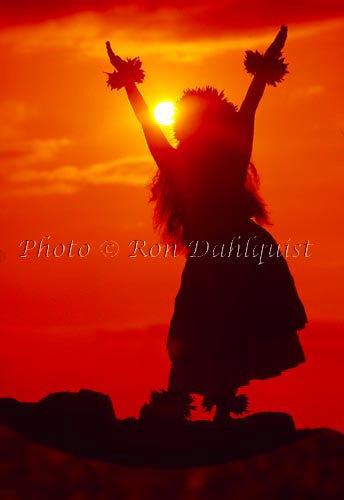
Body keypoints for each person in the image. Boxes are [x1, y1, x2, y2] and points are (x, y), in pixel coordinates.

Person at [105, 25, 307, 422]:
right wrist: (263, 67)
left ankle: (188, 408)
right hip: (239, 252)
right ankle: (209, 409)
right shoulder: (208, 158)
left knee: (206, 326)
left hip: (228, 254)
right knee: (217, 326)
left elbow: (149, 124)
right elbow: (248, 106)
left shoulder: (184, 163)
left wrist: (129, 83)